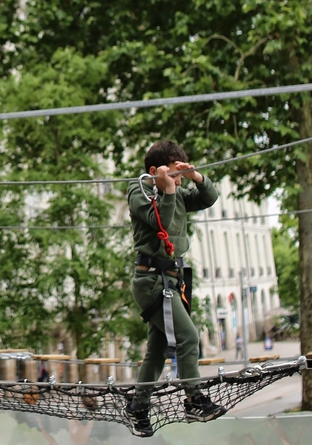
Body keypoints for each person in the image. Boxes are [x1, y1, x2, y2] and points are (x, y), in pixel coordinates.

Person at [124, 140, 227, 437]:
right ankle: (194, 398)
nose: (178, 183)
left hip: (171, 278)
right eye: (174, 175)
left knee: (157, 350)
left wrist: (195, 177)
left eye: (180, 178)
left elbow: (209, 198)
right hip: (151, 280)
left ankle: (138, 407)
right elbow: (162, 224)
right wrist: (168, 189)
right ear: (155, 171)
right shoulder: (139, 191)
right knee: (188, 338)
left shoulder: (179, 192)